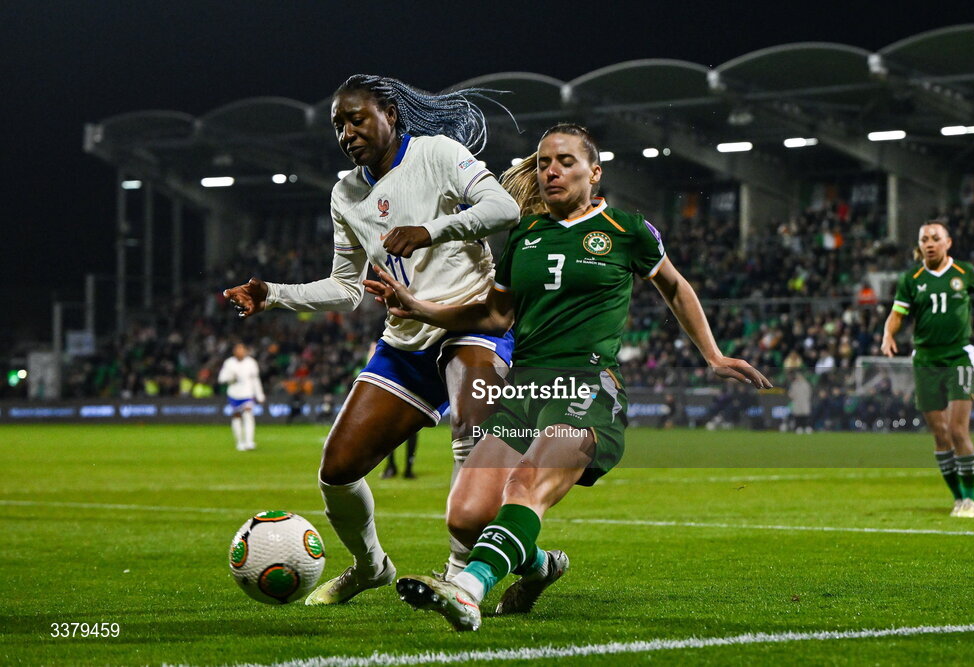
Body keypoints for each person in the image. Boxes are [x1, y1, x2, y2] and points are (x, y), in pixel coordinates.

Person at [365, 123, 771, 631]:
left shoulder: (627, 230)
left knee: (524, 482)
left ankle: (468, 591)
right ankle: (540, 566)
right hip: (523, 389)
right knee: (466, 516)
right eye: (542, 163)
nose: (551, 170)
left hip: (586, 388)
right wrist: (419, 308)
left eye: (565, 161)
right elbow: (494, 317)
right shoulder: (525, 237)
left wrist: (712, 354)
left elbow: (674, 285)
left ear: (593, 172)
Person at [223, 74, 520, 605]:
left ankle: (457, 576)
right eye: (339, 124)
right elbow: (345, 288)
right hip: (405, 343)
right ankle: (370, 566)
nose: (347, 132)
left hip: (470, 323)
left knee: (472, 437)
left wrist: (431, 230)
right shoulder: (346, 192)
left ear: (390, 112)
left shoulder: (437, 153)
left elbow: (505, 209)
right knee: (337, 471)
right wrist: (273, 293)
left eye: (356, 118)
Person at [881, 221, 974, 518]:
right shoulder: (911, 278)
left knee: (957, 429)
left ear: (948, 242)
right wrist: (888, 333)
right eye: (924, 239)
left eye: (935, 238)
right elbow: (897, 313)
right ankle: (958, 498)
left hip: (958, 357)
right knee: (939, 434)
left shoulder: (965, 272)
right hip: (925, 360)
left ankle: (971, 499)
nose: (930, 243)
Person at [217, 343, 265, 451]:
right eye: (238, 350)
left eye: (242, 350)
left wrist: (260, 394)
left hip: (247, 393)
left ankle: (249, 441)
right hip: (234, 394)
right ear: (234, 352)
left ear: (245, 351)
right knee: (237, 417)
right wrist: (231, 377)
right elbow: (221, 379)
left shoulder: (251, 363)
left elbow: (255, 380)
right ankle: (240, 442)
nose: (240, 352)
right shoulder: (229, 363)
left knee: (248, 415)